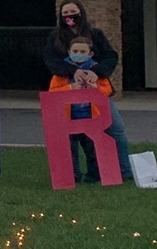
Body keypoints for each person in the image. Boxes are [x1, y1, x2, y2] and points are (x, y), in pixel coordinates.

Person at [43, 0, 133, 181]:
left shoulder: (96, 35)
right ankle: (72, 174)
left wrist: (96, 72)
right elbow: (51, 60)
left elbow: (110, 57)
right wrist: (73, 71)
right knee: (72, 136)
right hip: (67, 89)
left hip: (96, 88)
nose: (69, 16)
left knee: (116, 129)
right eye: (65, 13)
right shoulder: (55, 37)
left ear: (81, 12)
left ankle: (125, 171)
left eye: (72, 12)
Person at [48, 35, 112, 183]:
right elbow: (52, 92)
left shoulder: (95, 71)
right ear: (69, 52)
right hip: (68, 118)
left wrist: (95, 89)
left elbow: (107, 90)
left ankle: (94, 176)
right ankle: (72, 175)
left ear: (90, 54)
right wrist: (70, 87)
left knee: (93, 149)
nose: (78, 54)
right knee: (69, 149)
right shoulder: (61, 72)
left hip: (91, 117)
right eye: (75, 51)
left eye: (83, 52)